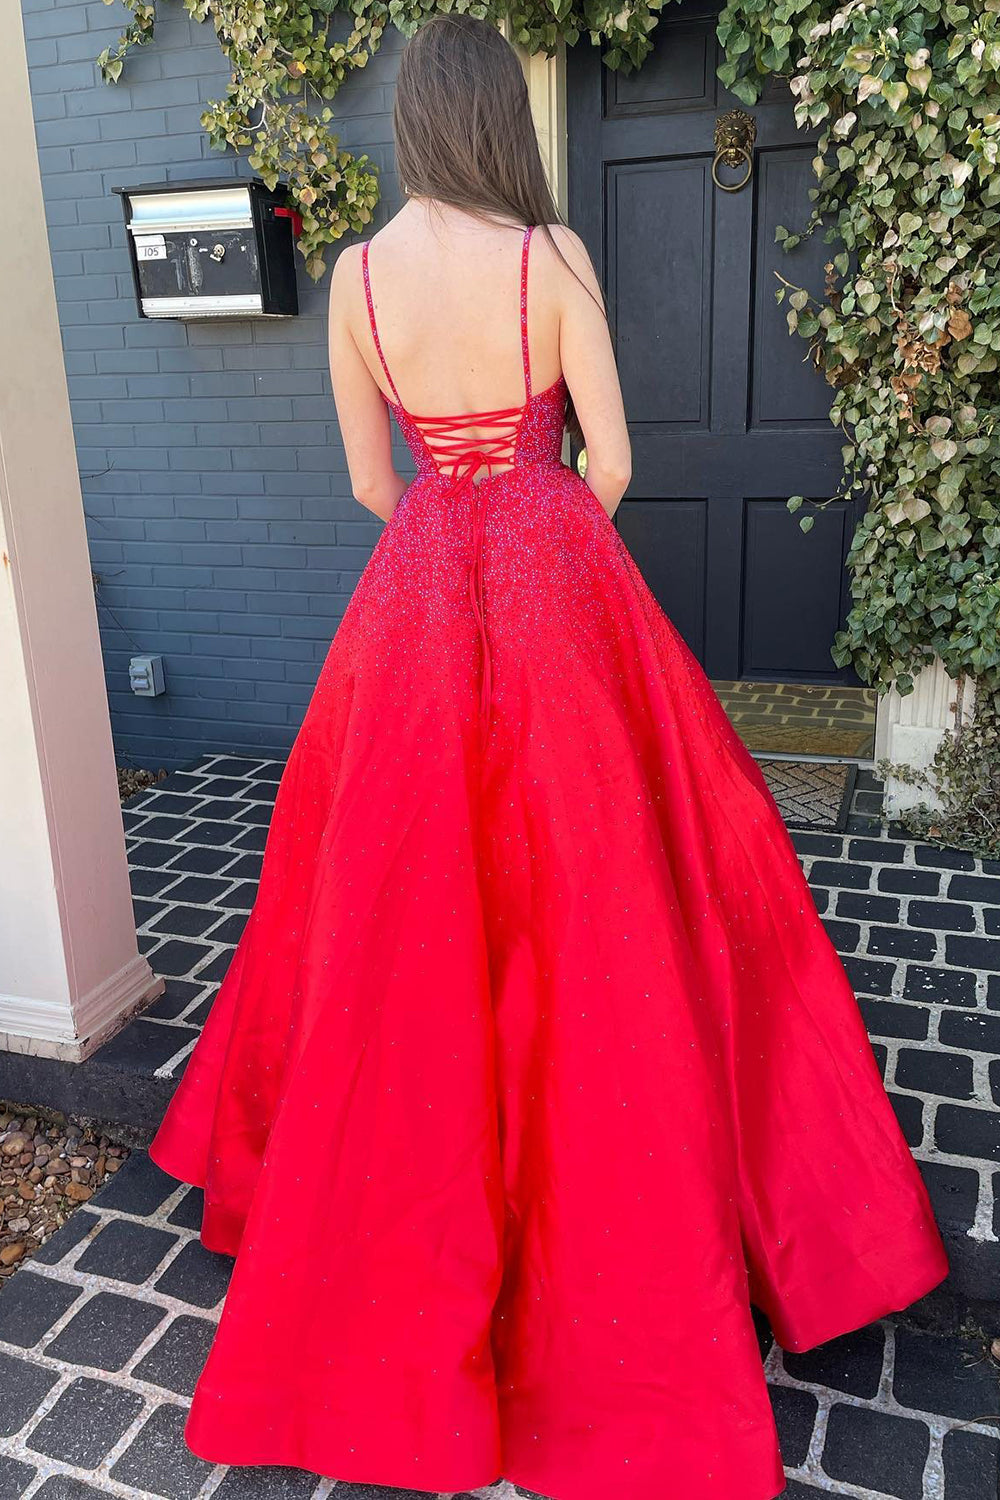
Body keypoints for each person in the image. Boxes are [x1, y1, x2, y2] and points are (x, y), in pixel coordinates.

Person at [147, 15, 949, 1500]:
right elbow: (622, 462)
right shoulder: (551, 260)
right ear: (495, 123)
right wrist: (534, 523)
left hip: (419, 599)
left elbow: (369, 482)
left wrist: (453, 546)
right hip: (555, 577)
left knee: (392, 899)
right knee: (620, 882)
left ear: (407, 126)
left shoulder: (358, 279)